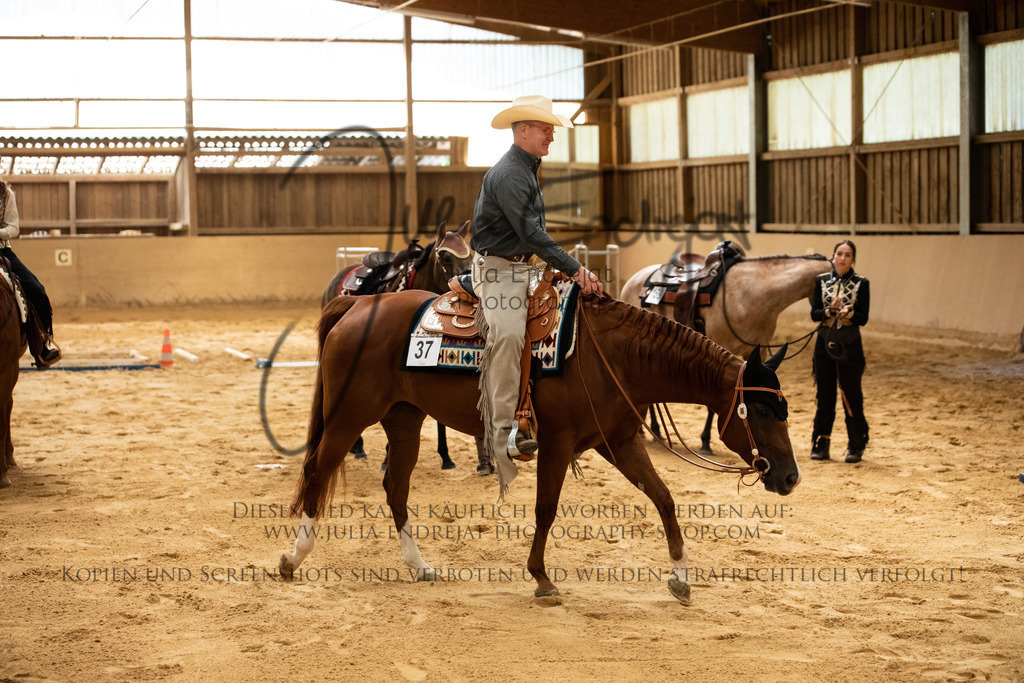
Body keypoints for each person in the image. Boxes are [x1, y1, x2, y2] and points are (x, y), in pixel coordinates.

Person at [470, 95, 603, 487]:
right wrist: (575, 267)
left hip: (523, 269)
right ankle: (504, 433)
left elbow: (530, 236)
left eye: (552, 130)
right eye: (546, 129)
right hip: (498, 273)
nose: (552, 136)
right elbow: (531, 233)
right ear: (523, 130)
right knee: (509, 335)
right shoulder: (511, 174)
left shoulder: (525, 169)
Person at [809, 239, 869, 463]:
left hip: (850, 345)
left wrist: (849, 314)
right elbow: (814, 313)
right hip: (824, 344)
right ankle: (821, 442)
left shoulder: (862, 283)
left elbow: (863, 318)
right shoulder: (821, 281)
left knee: (851, 395)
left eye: (847, 255)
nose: (842, 258)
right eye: (839, 254)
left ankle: (856, 444)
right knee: (824, 395)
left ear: (853, 259)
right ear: (833, 256)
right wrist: (829, 310)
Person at [0, 179, 61, 367]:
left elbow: (13, 227)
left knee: (36, 289)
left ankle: (41, 346)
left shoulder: (5, 193)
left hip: (1, 250)